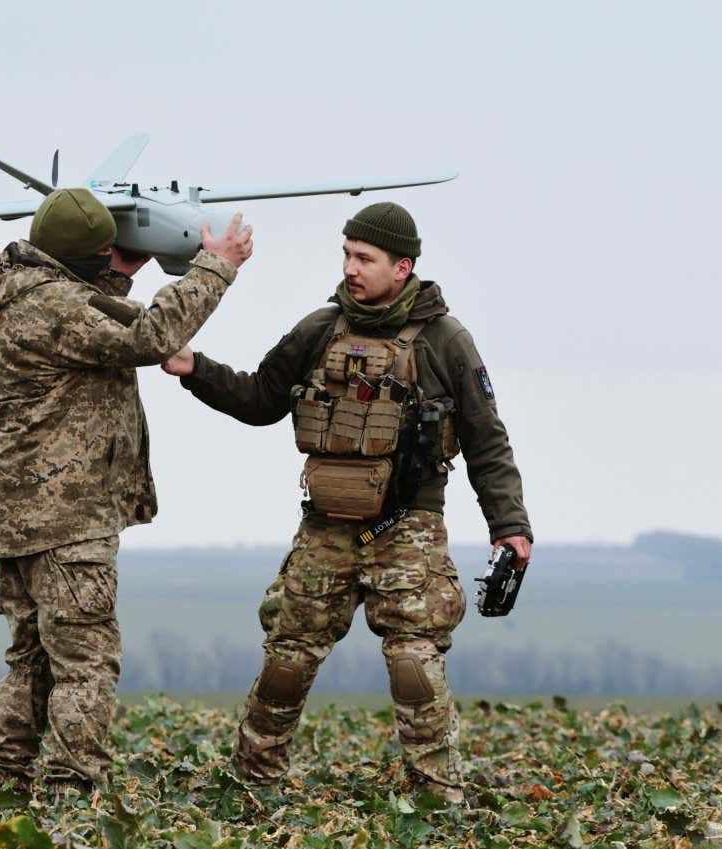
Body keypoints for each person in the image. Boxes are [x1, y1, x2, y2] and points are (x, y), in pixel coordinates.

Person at [160, 202, 530, 804]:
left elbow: (488, 439)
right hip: (326, 528)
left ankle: (439, 801)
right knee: (287, 660)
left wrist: (509, 526)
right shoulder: (319, 329)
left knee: (414, 665)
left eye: (366, 258)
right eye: (347, 255)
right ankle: (253, 788)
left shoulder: (446, 341)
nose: (351, 268)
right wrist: (194, 368)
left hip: (408, 527)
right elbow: (259, 398)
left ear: (402, 267)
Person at [0, 188, 253, 797]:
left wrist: (113, 276)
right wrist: (216, 265)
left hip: (18, 514)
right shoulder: (55, 310)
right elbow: (147, 337)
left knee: (33, 656)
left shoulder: (10, 290)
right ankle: (72, 788)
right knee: (85, 661)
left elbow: (87, 319)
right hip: (66, 514)